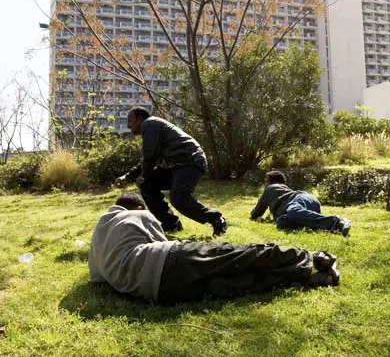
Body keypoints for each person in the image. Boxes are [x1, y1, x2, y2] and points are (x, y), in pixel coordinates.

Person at [88, 193, 340, 304]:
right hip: (167, 260)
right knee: (241, 255)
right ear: (139, 208)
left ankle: (313, 279)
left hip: (157, 292)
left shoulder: (98, 236)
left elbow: (96, 281)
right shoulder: (136, 215)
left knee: (239, 284)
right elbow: (160, 243)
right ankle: (312, 258)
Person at [115, 107, 228, 236]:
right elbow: (146, 160)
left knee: (178, 197)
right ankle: (171, 223)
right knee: (148, 184)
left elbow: (149, 155)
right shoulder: (152, 128)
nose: (129, 126)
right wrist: (127, 176)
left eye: (130, 121)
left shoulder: (149, 123)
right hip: (176, 166)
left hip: (190, 162)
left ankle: (217, 219)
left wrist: (144, 175)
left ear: (140, 119)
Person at [251, 171, 351, 236]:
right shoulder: (282, 190)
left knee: (293, 212)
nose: (265, 184)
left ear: (271, 182)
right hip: (309, 203)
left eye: (266, 181)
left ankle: (337, 223)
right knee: (281, 222)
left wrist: (261, 199)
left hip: (299, 199)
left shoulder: (271, 188)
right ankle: (321, 225)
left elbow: (255, 213)